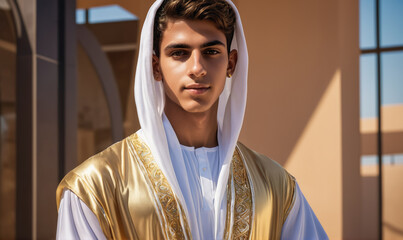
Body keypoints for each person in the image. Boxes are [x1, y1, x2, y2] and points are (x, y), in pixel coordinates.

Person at [56, 0, 328, 239]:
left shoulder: (277, 187)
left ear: (231, 63)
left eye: (211, 52)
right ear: (155, 66)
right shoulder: (94, 188)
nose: (197, 68)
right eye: (179, 53)